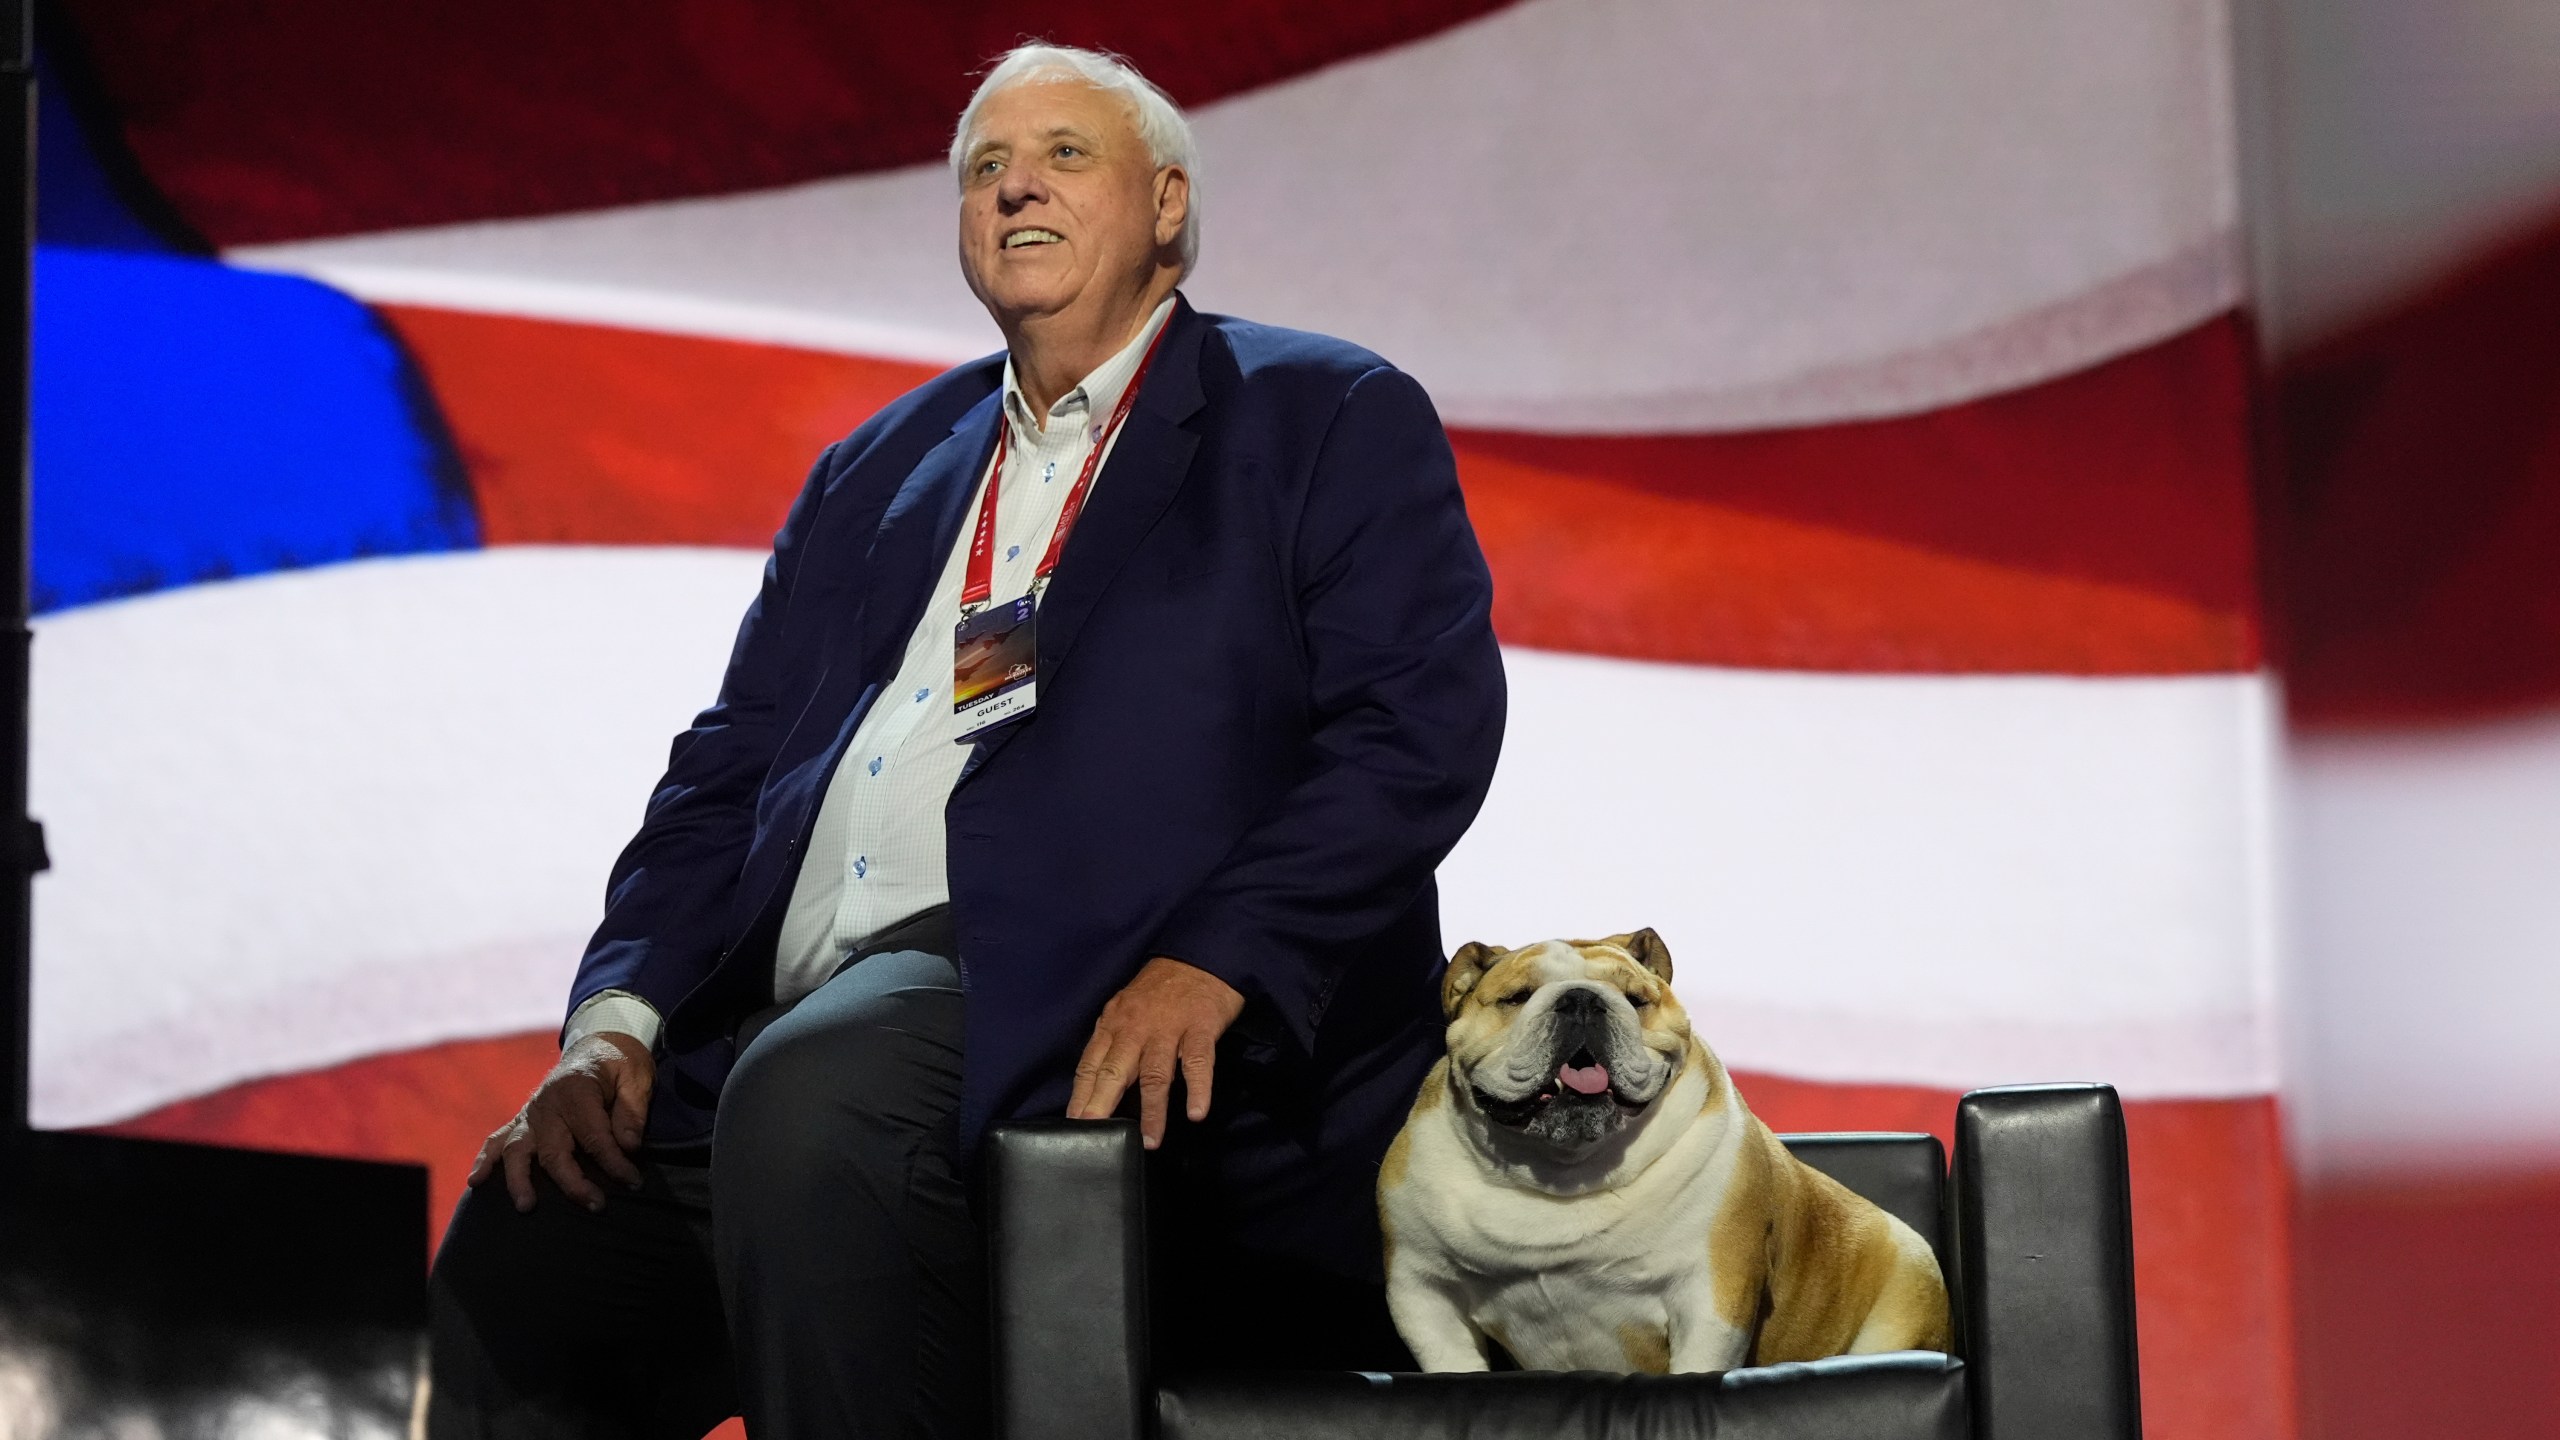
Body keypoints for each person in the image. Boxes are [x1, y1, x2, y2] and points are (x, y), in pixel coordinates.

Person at [426, 41, 1505, 1439]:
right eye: (984, 167)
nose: (1014, 189)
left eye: (1064, 155)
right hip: (783, 1021)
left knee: (819, 1106)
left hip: (1077, 994)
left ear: (1167, 207)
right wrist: (616, 1020)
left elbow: (1415, 728)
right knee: (533, 1239)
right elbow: (729, 768)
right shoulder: (880, 463)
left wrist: (1223, 951)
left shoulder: (1316, 415)